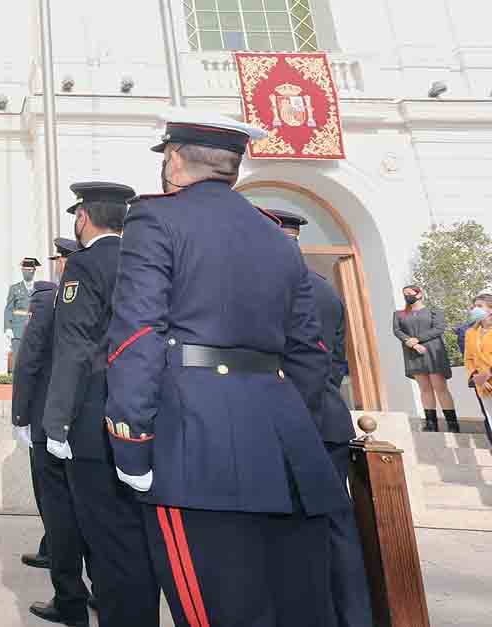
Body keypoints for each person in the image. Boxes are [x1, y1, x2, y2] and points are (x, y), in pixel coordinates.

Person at [106, 112, 351, 626]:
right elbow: (310, 350)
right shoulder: (273, 235)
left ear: (173, 161)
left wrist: (131, 444)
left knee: (215, 613)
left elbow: (137, 335)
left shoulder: (154, 219)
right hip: (285, 445)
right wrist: (275, 420)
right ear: (234, 170)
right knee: (296, 609)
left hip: (193, 448)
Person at [41, 183, 158, 627]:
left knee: (104, 543)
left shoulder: (84, 265)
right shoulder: (140, 260)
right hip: (141, 414)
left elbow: (74, 347)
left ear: (83, 218)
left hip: (92, 418)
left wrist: (56, 424)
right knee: (135, 539)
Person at [270, 209, 374, 627]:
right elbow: (334, 364)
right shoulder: (326, 289)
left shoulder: (282, 290)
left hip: (298, 419)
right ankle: (355, 617)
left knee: (299, 532)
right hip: (330, 419)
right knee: (337, 528)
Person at [13, 237, 97, 624]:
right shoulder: (109, 291)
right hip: (94, 422)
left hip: (52, 421)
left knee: (60, 515)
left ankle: (69, 600)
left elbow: (29, 362)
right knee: (95, 514)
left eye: (59, 260)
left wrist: (20, 418)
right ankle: (102, 590)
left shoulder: (49, 301)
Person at [394, 285, 458, 432]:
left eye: (410, 293)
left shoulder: (434, 311)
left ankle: (452, 424)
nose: (407, 296)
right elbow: (397, 331)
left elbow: (439, 328)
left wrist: (417, 339)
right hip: (413, 353)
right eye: (404, 294)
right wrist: (412, 343)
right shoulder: (399, 314)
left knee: (440, 387)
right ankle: (431, 424)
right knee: (424, 388)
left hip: (433, 352)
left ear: (419, 294)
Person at [4, 257, 41, 372]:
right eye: (24, 270)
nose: (27, 272)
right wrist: (8, 328)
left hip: (34, 329)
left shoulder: (39, 289)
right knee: (16, 360)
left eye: (29, 270)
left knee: (32, 359)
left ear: (34, 271)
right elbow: (9, 309)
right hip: (18, 329)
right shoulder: (15, 289)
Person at [464, 294, 492, 444]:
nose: (475, 309)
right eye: (474, 306)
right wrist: (478, 378)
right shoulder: (471, 333)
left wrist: (486, 376)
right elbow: (468, 359)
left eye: (480, 306)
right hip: (481, 385)